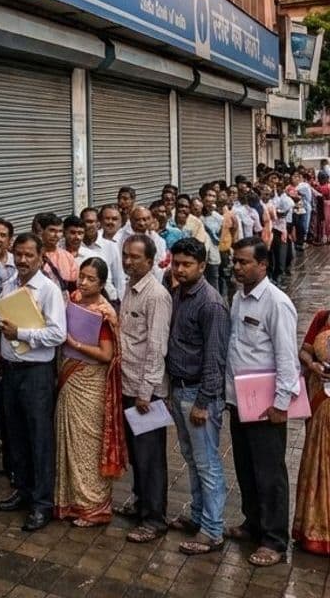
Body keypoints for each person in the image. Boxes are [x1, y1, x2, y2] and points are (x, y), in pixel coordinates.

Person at [224, 237, 299, 568]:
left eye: (244, 262)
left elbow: (287, 358)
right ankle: (253, 523)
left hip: (267, 404)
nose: (237, 267)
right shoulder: (238, 297)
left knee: (270, 473)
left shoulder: (276, 303)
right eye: (235, 261)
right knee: (245, 467)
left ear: (263, 265)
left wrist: (281, 404)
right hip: (240, 399)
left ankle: (274, 539)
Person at [0, 233, 66, 533]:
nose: (23, 260)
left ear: (40, 258)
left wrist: (21, 334)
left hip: (36, 373)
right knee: (16, 435)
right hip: (11, 370)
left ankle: (42, 503)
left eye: (29, 255)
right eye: (18, 254)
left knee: (39, 438)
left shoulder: (48, 290)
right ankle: (22, 491)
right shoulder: (9, 285)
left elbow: (58, 334)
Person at [163, 238, 230, 556]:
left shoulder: (211, 303)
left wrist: (204, 402)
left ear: (202, 266)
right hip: (179, 388)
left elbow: (215, 358)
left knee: (208, 464)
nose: (179, 269)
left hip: (198, 393)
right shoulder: (179, 293)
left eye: (187, 264)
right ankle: (199, 516)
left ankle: (213, 531)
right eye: (176, 263)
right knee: (191, 459)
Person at [54, 258, 126, 527]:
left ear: (102, 283)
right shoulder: (73, 299)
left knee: (89, 443)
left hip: (91, 381)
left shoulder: (103, 313)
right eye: (81, 276)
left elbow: (107, 354)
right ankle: (72, 502)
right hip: (69, 378)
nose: (83, 283)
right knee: (68, 439)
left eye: (90, 279)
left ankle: (94, 506)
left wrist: (75, 344)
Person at [117, 233, 172, 544]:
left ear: (150, 261)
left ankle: (154, 519)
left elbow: (156, 346)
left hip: (145, 392)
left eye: (135, 257)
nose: (128, 261)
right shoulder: (129, 287)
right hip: (127, 383)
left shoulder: (156, 296)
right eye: (125, 255)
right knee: (137, 454)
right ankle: (141, 504)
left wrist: (146, 391)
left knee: (150, 457)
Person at [293, 310, 330, 555]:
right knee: (317, 462)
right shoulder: (322, 318)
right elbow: (304, 351)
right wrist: (312, 364)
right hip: (320, 400)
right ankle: (314, 531)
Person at [79, 206, 125, 302]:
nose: (91, 225)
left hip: (109, 299)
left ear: (99, 224)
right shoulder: (75, 247)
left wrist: (122, 302)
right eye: (87, 222)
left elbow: (119, 278)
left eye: (94, 222)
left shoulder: (110, 246)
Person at [36, 212, 77, 293]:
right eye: (52, 230)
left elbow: (74, 286)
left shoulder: (68, 257)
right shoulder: (33, 256)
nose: (56, 235)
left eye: (60, 231)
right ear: (41, 231)